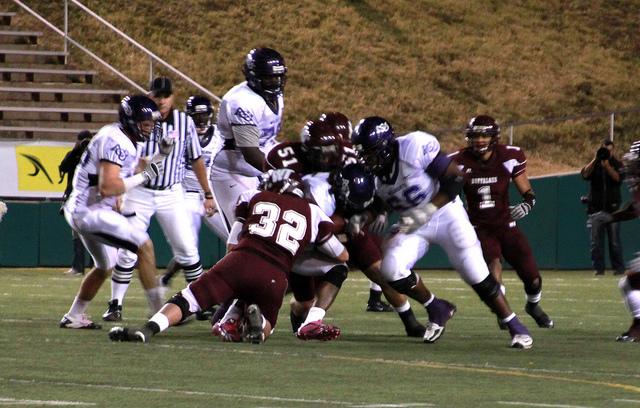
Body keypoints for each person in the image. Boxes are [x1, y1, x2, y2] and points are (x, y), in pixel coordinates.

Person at [351, 116, 533, 349]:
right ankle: (437, 308)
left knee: (475, 273)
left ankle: (514, 325)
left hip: (445, 213)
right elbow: (381, 202)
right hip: (412, 223)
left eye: (369, 152)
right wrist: (363, 217)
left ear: (385, 147)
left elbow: (455, 178)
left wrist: (427, 210)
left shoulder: (413, 147)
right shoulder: (373, 174)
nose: (365, 159)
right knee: (391, 269)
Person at [108, 169, 348, 344]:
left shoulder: (253, 196)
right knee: (269, 325)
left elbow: (233, 244)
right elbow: (341, 254)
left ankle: (148, 329)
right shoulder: (313, 212)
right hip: (276, 272)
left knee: (188, 298)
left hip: (241, 259)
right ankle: (258, 325)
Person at [103, 77, 216, 322]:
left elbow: (196, 158)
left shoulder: (185, 122)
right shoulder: (139, 122)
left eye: (166, 95)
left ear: (172, 97)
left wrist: (207, 193)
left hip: (171, 192)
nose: (162, 100)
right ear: (150, 96)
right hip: (139, 192)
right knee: (129, 249)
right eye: (157, 95)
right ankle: (115, 304)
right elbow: (130, 159)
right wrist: (121, 191)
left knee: (187, 248)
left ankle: (200, 303)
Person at [59, 95, 164, 329]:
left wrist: (161, 156)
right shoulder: (115, 139)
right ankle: (159, 312)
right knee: (144, 245)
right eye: (146, 124)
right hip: (88, 210)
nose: (150, 129)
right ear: (131, 121)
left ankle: (74, 315)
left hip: (87, 207)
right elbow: (108, 187)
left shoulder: (120, 136)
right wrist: (143, 178)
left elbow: (135, 166)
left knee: (105, 265)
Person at [449, 115, 553, 329]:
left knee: (533, 279)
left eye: (484, 135)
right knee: (493, 264)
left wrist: (528, 204)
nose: (479, 140)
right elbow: (445, 191)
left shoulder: (509, 156)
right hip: (479, 227)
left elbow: (527, 192)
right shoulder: (458, 161)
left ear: (493, 137)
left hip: (506, 225)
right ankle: (504, 313)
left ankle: (533, 306)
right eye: (476, 135)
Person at [210, 47, 287, 236]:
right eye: (269, 78)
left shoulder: (274, 95)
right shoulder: (242, 101)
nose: (275, 82)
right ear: (253, 76)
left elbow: (267, 138)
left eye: (278, 77)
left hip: (259, 167)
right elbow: (250, 152)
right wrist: (279, 171)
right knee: (243, 233)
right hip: (234, 170)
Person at [160, 95, 228, 289]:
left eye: (203, 116)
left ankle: (226, 280)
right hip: (187, 195)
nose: (200, 120)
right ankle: (170, 278)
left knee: (235, 239)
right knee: (188, 246)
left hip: (212, 196)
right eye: (196, 116)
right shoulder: (176, 133)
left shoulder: (219, 136)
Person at [581, 139, 625, 276]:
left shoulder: (617, 164)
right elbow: (585, 174)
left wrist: (607, 166)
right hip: (595, 209)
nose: (608, 153)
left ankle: (618, 268)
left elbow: (618, 178)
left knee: (615, 242)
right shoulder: (595, 165)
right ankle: (598, 269)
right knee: (596, 243)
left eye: (610, 150)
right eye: (605, 150)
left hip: (613, 210)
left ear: (613, 150)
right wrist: (596, 159)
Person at [58, 130, 93, 276]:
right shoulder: (73, 154)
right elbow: (63, 167)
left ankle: (97, 266)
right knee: (77, 232)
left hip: (92, 198)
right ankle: (78, 267)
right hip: (75, 197)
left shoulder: (95, 156)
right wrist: (76, 150)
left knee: (94, 232)